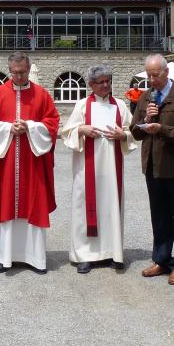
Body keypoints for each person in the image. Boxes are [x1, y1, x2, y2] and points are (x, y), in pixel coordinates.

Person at [0, 51, 59, 274]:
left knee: (34, 203)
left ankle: (35, 258)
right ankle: (3, 257)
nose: (19, 77)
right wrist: (7, 128)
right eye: (14, 73)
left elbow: (52, 123)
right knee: (4, 203)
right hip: (6, 166)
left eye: (22, 72)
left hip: (32, 164)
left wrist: (30, 127)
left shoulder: (41, 95)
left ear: (28, 68)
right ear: (9, 70)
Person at [60, 65, 137, 273]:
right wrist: (81, 129)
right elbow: (66, 133)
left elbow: (134, 131)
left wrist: (123, 135)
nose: (105, 85)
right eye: (101, 82)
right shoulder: (83, 106)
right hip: (87, 168)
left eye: (108, 81)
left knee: (111, 205)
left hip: (112, 169)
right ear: (91, 85)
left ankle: (113, 253)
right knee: (84, 207)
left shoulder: (120, 105)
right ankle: (85, 255)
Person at [130, 54, 174, 285]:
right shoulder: (146, 96)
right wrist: (146, 119)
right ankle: (161, 260)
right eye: (148, 75)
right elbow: (135, 131)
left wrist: (162, 128)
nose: (151, 79)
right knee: (159, 217)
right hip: (153, 167)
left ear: (166, 73)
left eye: (155, 75)